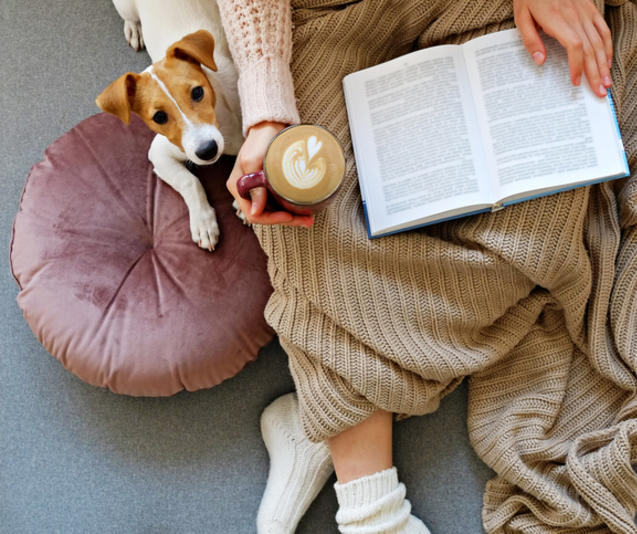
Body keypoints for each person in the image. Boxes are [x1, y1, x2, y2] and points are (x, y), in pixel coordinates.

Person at [216, 0, 613, 532]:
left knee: (537, 230)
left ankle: (326, 416)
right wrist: (266, 110)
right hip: (328, 21)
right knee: (305, 206)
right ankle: (372, 509)